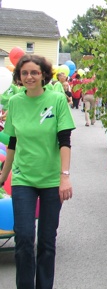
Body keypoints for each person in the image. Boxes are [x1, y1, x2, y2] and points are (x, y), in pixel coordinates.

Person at [0, 54, 75, 289]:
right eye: (24, 73)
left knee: (46, 241)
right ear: (19, 77)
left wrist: (65, 177)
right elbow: (12, 143)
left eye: (34, 72)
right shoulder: (15, 103)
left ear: (43, 74)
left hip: (52, 180)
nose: (29, 77)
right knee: (23, 238)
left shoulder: (56, 99)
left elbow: (64, 141)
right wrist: (3, 177)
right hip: (23, 178)